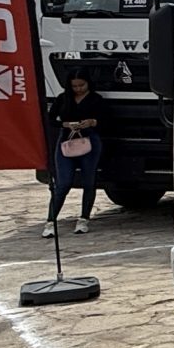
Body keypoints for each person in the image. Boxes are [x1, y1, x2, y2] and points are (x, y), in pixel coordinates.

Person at [45, 73, 106, 237]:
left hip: (89, 140)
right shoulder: (63, 98)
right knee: (63, 183)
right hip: (67, 140)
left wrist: (92, 122)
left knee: (88, 181)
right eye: (75, 86)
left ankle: (84, 218)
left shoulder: (96, 99)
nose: (78, 89)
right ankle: (50, 220)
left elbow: (107, 119)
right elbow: (49, 119)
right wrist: (65, 124)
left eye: (81, 85)